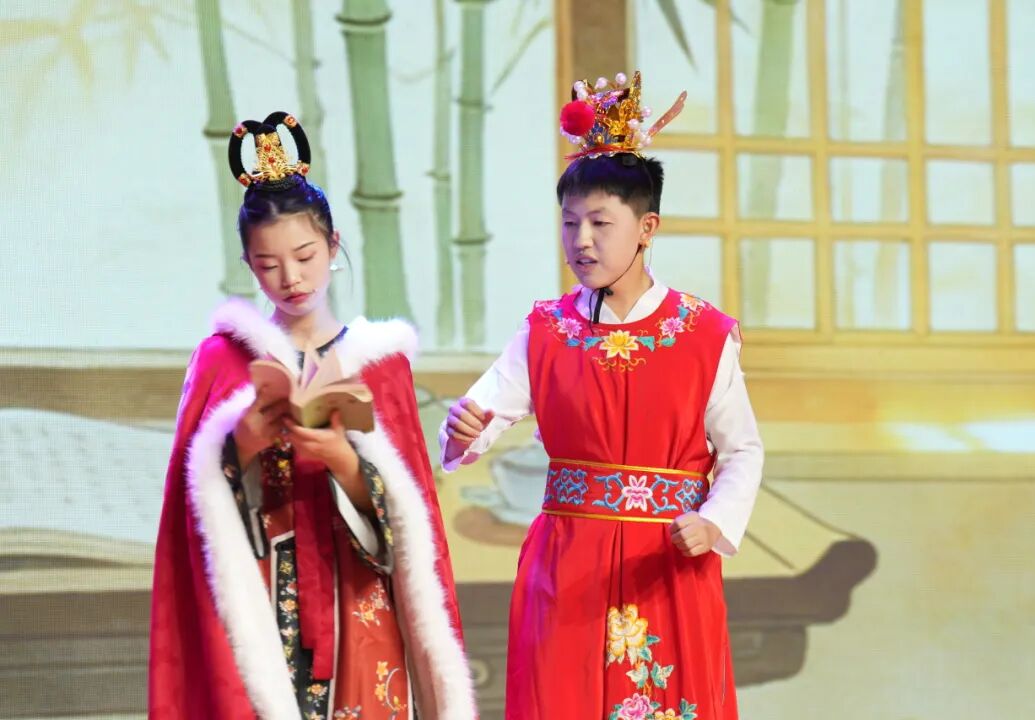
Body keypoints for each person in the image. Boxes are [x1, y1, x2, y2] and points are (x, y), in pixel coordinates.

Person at [441, 73, 763, 719]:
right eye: (569, 223)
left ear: (646, 227)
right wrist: (465, 431)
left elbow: (742, 451)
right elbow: (482, 415)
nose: (580, 240)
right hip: (567, 568)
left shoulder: (703, 334)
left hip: (667, 564)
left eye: (599, 223)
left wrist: (714, 522)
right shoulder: (545, 329)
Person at [149, 112, 475, 720]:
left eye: (304, 255)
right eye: (268, 264)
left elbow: (413, 524)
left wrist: (346, 463)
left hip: (360, 596)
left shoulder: (381, 366)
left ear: (333, 245)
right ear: (249, 265)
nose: (291, 278)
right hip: (263, 595)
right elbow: (191, 515)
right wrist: (240, 445)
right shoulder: (224, 359)